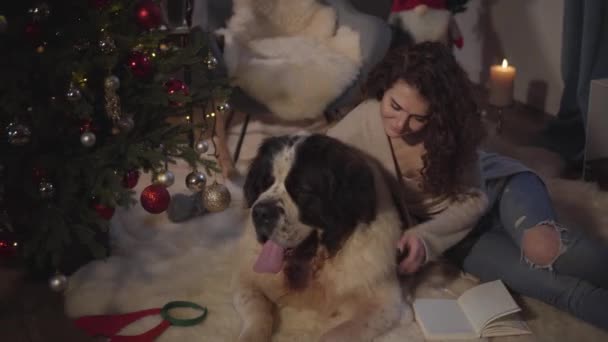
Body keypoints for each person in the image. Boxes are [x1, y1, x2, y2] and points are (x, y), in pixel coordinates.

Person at [326, 42, 608, 330]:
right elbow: (312, 154)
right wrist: (425, 238)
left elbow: (475, 200)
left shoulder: (453, 133)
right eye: (394, 106)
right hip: (457, 235)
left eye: (418, 118)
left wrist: (424, 236)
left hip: (497, 191)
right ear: (383, 89)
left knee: (543, 249)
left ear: (437, 115)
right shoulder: (364, 120)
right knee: (554, 288)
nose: (400, 124)